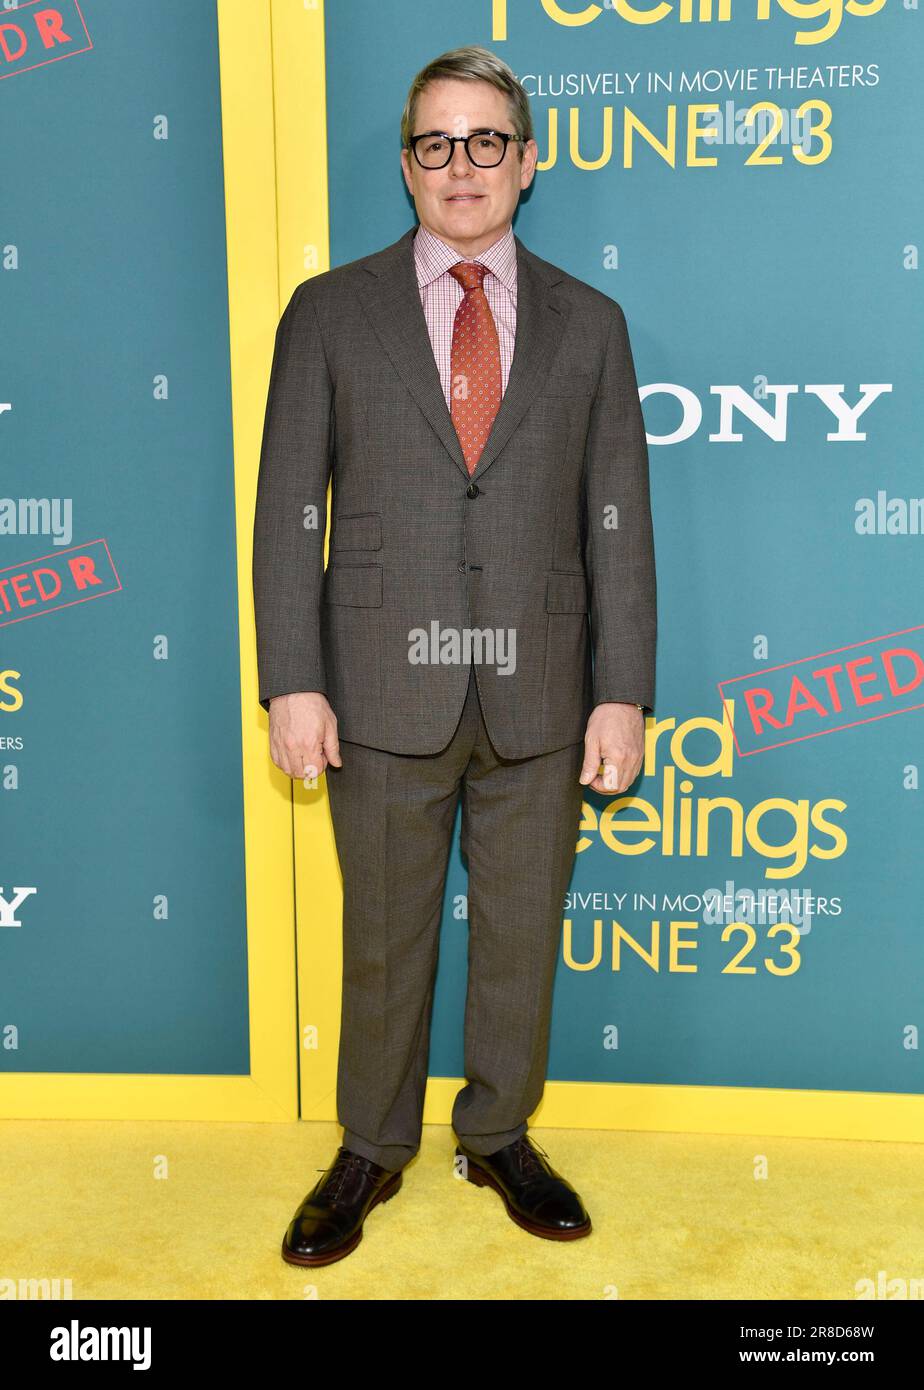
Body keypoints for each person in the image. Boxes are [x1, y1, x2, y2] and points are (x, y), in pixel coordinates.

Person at [252, 43, 657, 1267]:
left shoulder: (592, 323)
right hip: (378, 683)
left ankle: (498, 1133)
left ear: (527, 164)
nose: (463, 166)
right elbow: (287, 511)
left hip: (543, 688)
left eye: (489, 142)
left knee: (523, 934)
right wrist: (293, 677)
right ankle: (370, 1148)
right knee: (382, 935)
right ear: (407, 162)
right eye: (438, 142)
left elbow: (619, 522)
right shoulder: (330, 310)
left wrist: (622, 692)